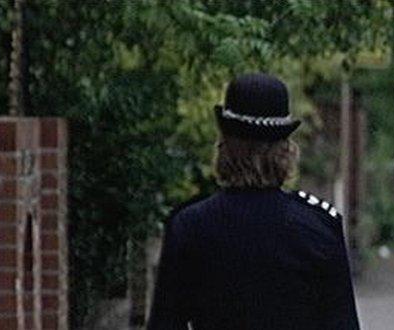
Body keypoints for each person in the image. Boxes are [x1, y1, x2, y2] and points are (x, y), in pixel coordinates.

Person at [148, 74, 360, 329]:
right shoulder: (319, 227)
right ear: (286, 151)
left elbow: (166, 323)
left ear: (223, 147)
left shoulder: (189, 226)